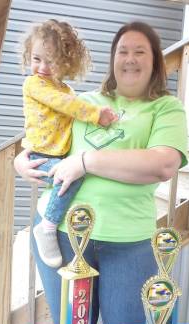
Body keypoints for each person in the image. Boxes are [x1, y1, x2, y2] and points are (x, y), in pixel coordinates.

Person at [14, 21, 188, 324]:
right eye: (123, 51)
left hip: (128, 244)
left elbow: (162, 164)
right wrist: (21, 160)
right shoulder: (85, 102)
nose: (130, 58)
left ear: (155, 60)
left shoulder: (166, 108)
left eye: (139, 51)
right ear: (113, 58)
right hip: (62, 235)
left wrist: (86, 161)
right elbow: (46, 136)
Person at [19, 19, 117, 268]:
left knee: (75, 173)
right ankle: (48, 226)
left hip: (57, 154)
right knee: (72, 176)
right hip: (39, 155)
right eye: (36, 58)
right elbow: (65, 106)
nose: (42, 67)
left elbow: (71, 109)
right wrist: (97, 114)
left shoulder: (66, 89)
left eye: (50, 61)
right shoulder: (35, 85)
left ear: (66, 61)